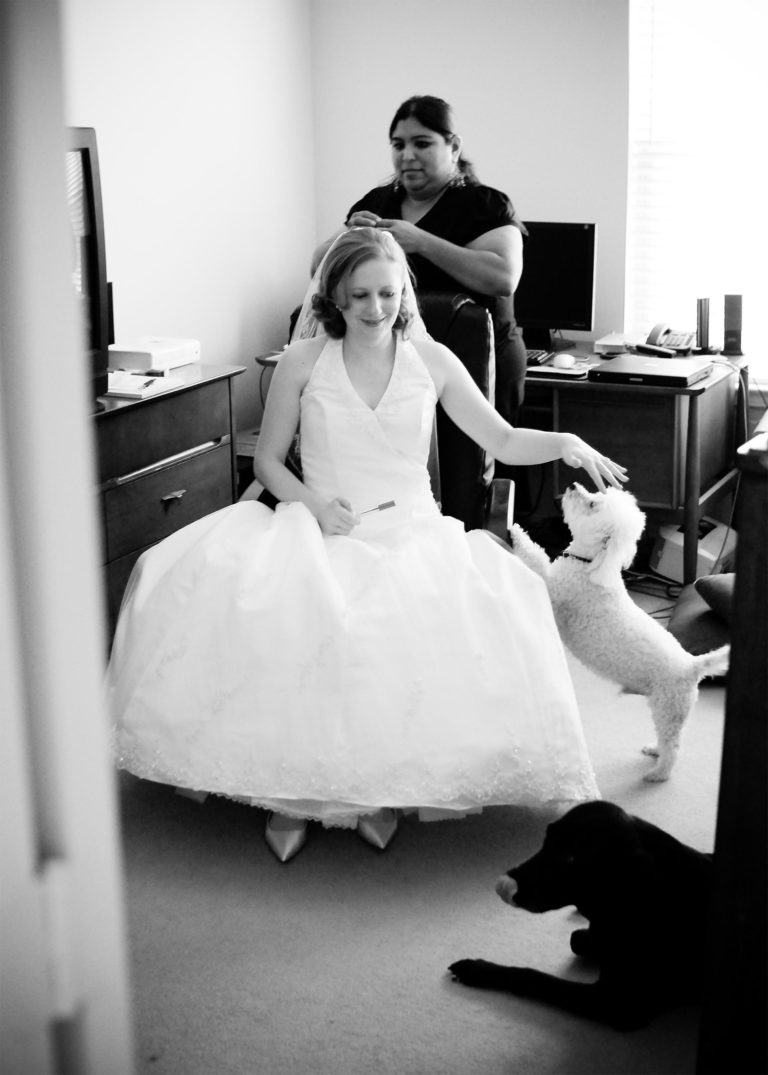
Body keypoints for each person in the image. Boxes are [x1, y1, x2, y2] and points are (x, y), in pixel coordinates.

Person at [108, 228, 627, 864]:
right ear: (334, 297)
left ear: (403, 290)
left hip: (412, 531)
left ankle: (375, 794)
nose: (376, 309)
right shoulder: (303, 362)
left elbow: (502, 439)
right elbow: (268, 463)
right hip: (322, 524)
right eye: (360, 296)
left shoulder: (433, 360)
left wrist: (564, 440)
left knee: (414, 630)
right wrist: (312, 504)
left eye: (387, 293)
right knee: (292, 616)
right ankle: (286, 798)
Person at [312, 95, 529, 424]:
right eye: (398, 145)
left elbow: (503, 276)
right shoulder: (378, 201)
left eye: (422, 143)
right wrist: (343, 241)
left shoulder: (484, 204)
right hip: (396, 366)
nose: (408, 155)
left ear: (453, 147)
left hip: (478, 364)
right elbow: (318, 268)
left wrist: (422, 242)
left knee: (473, 463)